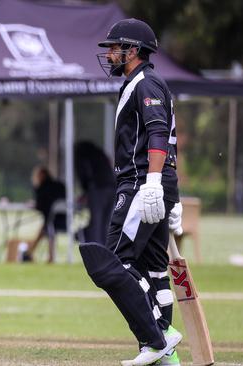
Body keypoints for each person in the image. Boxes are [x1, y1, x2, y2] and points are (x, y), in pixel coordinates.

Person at [79, 19, 183, 366]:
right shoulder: (145, 82)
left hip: (141, 182)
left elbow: (157, 135)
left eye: (114, 47)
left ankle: (157, 337)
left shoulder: (145, 82)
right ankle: (164, 351)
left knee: (115, 262)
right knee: (153, 268)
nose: (109, 54)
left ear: (133, 50)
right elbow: (170, 140)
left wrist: (154, 183)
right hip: (155, 181)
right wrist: (173, 192)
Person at [74, 140, 116, 245]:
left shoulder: (81, 154)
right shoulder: (99, 153)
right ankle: (106, 249)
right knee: (106, 223)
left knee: (96, 222)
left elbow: (85, 173)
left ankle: (97, 249)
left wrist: (86, 191)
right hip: (112, 187)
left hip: (98, 188)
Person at [24, 165, 66, 263]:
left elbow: (41, 205)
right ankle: (30, 253)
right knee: (46, 230)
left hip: (53, 220)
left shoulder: (43, 188)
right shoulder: (58, 185)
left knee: (46, 230)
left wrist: (34, 205)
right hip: (64, 218)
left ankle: (29, 254)